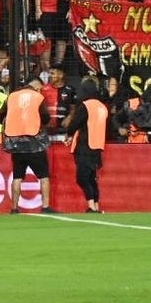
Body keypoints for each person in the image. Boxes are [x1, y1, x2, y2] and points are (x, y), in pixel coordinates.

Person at [0, 70, 53, 213]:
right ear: (36, 86)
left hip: (16, 143)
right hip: (35, 142)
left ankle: (14, 208)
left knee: (17, 176)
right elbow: (46, 118)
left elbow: (0, 117)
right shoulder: (38, 97)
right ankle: (46, 206)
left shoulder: (11, 97)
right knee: (43, 175)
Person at [65, 78, 109, 213]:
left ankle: (91, 205)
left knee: (82, 178)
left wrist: (69, 133)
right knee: (92, 178)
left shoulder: (86, 106)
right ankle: (95, 205)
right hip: (97, 146)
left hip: (85, 145)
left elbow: (75, 123)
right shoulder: (102, 106)